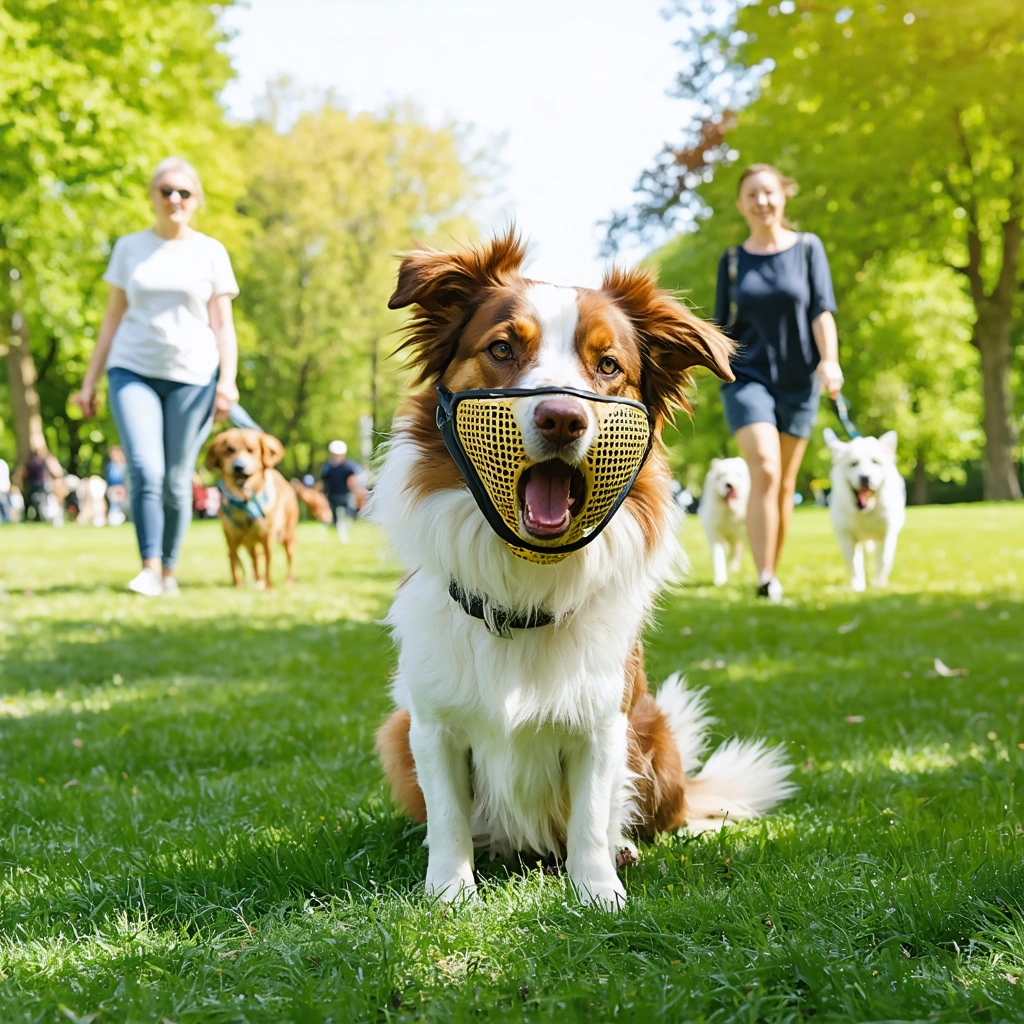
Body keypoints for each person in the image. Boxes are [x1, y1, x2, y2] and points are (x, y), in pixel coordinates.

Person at [71, 157, 240, 596]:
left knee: (176, 477)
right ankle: (148, 567)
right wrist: (89, 382)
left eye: (183, 192)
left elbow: (223, 325)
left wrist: (228, 381)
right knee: (145, 469)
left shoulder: (211, 252)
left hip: (193, 375)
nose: (174, 199)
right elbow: (111, 319)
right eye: (165, 190)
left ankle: (168, 569)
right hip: (132, 369)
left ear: (196, 199)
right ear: (152, 196)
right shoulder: (130, 247)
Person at [714, 163, 842, 602]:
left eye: (768, 192)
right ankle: (765, 575)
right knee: (764, 468)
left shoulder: (808, 249)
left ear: (783, 196)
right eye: (752, 194)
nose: (761, 201)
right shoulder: (731, 262)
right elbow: (721, 328)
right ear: (740, 204)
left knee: (784, 483)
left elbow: (821, 309)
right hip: (746, 377)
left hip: (798, 379)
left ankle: (773, 569)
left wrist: (831, 361)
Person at [320, 440, 362, 543]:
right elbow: (324, 484)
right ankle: (338, 536)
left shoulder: (348, 467)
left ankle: (345, 535)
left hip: (345, 496)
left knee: (346, 518)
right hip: (332, 496)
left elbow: (352, 483)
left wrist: (357, 494)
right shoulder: (327, 468)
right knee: (335, 520)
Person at [105, 445, 128, 526]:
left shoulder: (126, 466)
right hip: (113, 489)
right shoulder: (110, 466)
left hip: (126, 489)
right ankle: (115, 514)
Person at [0, 457, 11, 524]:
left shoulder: (2, 463)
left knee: (4, 506)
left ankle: (6, 520)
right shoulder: (3, 463)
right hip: (4, 487)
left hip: (3, 488)